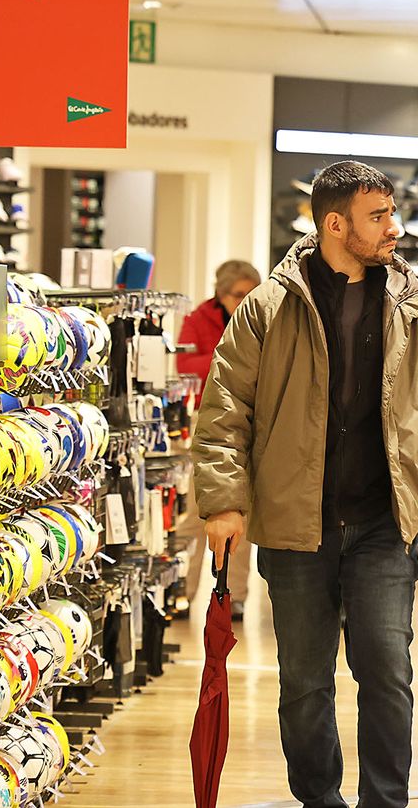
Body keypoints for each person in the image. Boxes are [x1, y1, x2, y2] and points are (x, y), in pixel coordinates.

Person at [192, 160, 418, 808]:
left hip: (381, 526)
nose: (392, 227)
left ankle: (383, 802)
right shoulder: (268, 307)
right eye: (379, 216)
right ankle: (320, 801)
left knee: (388, 675)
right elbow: (224, 409)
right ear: (335, 224)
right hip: (294, 527)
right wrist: (225, 500)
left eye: (392, 213)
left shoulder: (415, 305)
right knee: (305, 685)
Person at [174, 259, 262, 619]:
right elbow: (185, 366)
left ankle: (236, 595)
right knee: (196, 514)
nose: (245, 301)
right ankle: (181, 591)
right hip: (206, 420)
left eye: (250, 293)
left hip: (252, 421)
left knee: (243, 512)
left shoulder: (263, 319)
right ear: (222, 294)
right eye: (238, 294)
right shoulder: (198, 320)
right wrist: (228, 363)